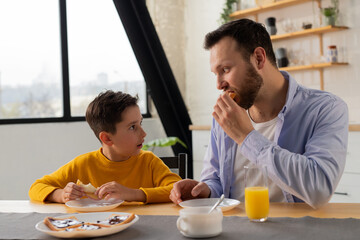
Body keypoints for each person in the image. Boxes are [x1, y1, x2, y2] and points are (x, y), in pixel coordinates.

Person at [170, 18, 348, 209]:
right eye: (216, 73)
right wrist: (204, 191)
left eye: (226, 69)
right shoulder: (226, 116)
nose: (219, 84)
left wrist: (246, 137)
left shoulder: (326, 109)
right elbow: (216, 180)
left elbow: (319, 189)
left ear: (259, 58)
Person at [29, 90, 182, 203]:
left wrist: (133, 194)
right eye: (132, 127)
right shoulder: (83, 164)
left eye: (140, 123)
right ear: (107, 138)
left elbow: (177, 189)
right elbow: (36, 187)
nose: (143, 133)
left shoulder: (149, 161)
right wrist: (61, 195)